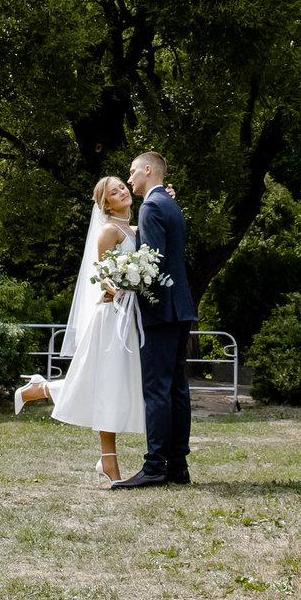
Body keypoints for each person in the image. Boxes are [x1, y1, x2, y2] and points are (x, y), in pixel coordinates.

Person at [9, 176, 146, 483]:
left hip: (131, 317)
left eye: (122, 187)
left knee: (113, 385)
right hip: (112, 316)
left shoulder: (136, 230)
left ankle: (41, 389)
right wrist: (113, 285)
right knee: (107, 385)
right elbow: (100, 273)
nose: (122, 191)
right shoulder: (109, 231)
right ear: (105, 204)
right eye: (114, 192)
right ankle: (108, 461)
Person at [112, 150, 197, 489]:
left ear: (149, 170)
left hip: (160, 310)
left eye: (133, 173)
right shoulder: (170, 205)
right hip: (181, 308)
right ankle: (177, 465)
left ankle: (155, 466)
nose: (129, 179)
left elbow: (152, 263)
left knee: (158, 390)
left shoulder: (150, 206)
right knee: (177, 389)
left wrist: (122, 283)